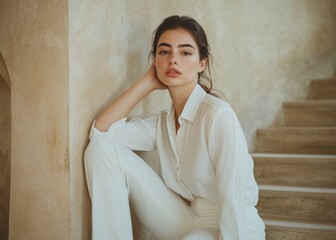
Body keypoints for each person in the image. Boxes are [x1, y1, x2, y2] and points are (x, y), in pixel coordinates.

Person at [84, 15, 265, 240]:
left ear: (202, 63)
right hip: (189, 217)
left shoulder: (218, 115)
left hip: (234, 225)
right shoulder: (163, 123)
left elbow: (233, 201)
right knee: (100, 149)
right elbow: (101, 134)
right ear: (155, 61)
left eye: (185, 52)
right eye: (164, 52)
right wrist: (147, 83)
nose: (173, 60)